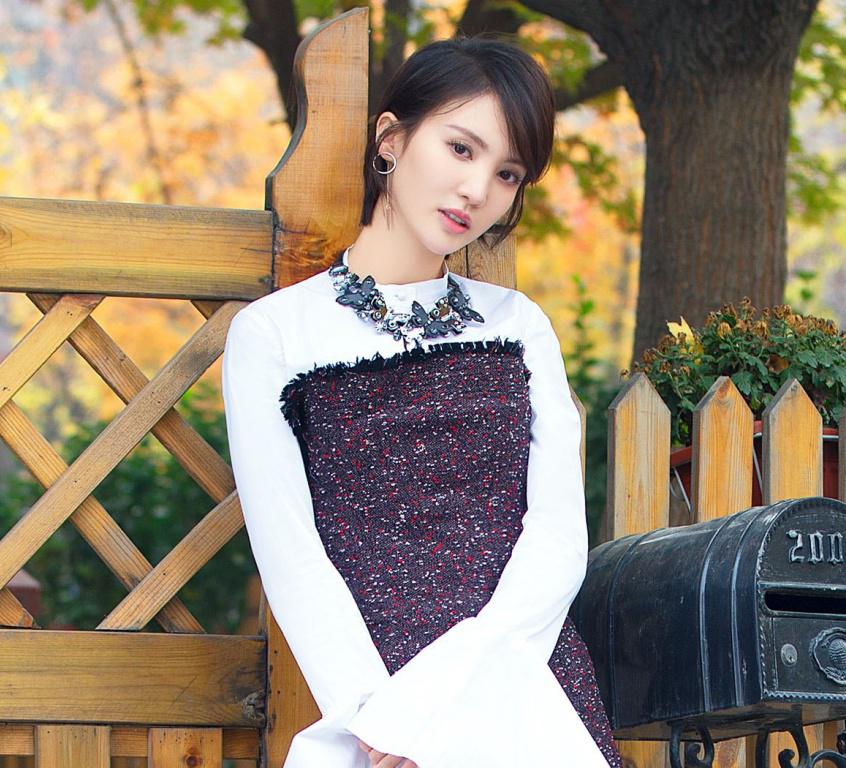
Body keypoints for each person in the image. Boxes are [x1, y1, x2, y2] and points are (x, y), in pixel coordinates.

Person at [221, 35, 622, 768]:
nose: (477, 189)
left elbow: (559, 539)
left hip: (524, 687)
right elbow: (291, 556)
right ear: (391, 139)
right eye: (461, 149)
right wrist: (384, 724)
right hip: (373, 706)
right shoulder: (274, 334)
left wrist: (444, 698)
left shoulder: (518, 326)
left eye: (507, 173)